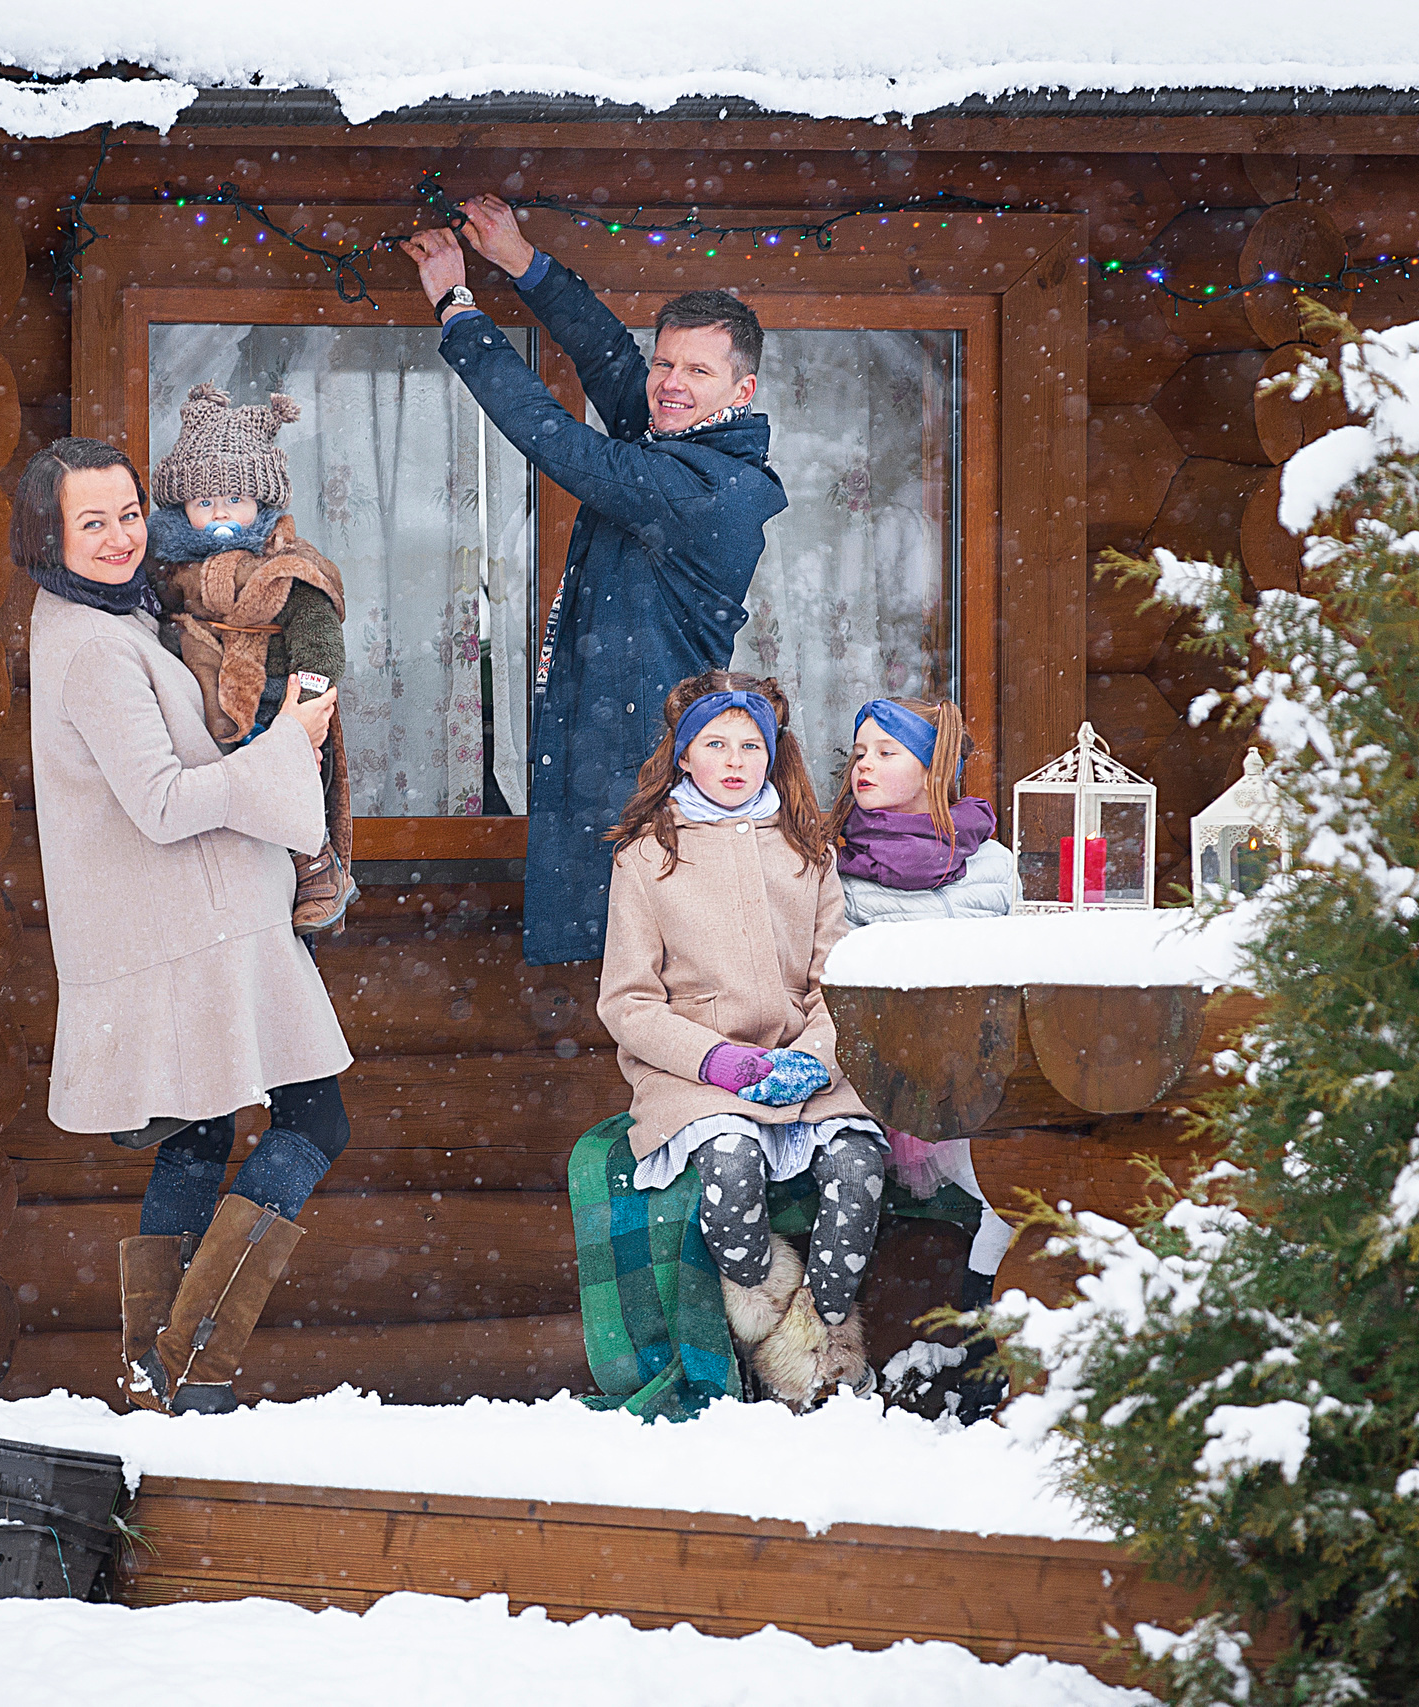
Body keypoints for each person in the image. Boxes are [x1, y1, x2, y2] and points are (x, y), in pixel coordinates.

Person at [15, 436, 352, 1416]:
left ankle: (157, 1371)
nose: (120, 538)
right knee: (311, 1118)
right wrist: (289, 742)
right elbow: (161, 802)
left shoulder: (110, 617)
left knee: (198, 1133)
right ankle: (189, 1359)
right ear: (50, 535)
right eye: (92, 522)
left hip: (191, 924)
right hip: (192, 931)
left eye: (127, 514)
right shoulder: (90, 649)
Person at [404, 196, 787, 967]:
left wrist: (458, 306)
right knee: (626, 967)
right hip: (615, 745)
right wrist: (521, 260)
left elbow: (556, 441)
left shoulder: (704, 489)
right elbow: (611, 358)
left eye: (698, 370)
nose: (671, 383)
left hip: (644, 767)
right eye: (667, 362)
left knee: (648, 966)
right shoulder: (679, 441)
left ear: (740, 392)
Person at [596, 669, 888, 1409]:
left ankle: (827, 1340)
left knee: (858, 1169)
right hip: (698, 1077)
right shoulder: (645, 856)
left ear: (773, 752)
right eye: (715, 743)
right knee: (729, 1176)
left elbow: (838, 982)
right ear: (683, 756)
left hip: (806, 1067)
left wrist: (813, 1057)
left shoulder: (808, 850)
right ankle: (787, 1348)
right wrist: (719, 1058)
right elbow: (627, 1002)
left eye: (750, 744)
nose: (734, 758)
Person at [830, 695, 1019, 1424]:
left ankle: (982, 1331)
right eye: (860, 751)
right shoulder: (838, 862)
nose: (865, 765)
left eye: (886, 751)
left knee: (1028, 1155)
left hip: (988, 1065)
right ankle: (978, 1340)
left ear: (933, 765)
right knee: (1007, 1165)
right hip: (896, 1075)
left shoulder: (992, 862)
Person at [146, 382, 357, 934]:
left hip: (272, 698)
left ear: (260, 504)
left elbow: (319, 636)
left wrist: (306, 709)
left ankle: (312, 863)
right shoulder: (166, 567)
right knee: (212, 792)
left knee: (285, 778)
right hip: (196, 700)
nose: (220, 513)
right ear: (182, 506)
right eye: (204, 502)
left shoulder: (285, 564)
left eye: (235, 501)